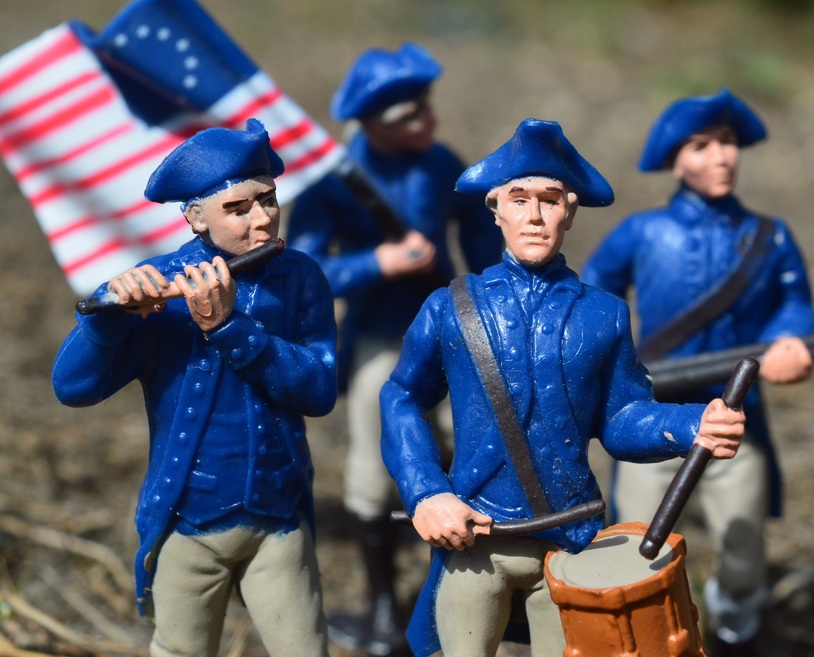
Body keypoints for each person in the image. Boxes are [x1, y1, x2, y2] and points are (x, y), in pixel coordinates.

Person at [380, 118, 747, 657]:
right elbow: (402, 397)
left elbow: (622, 420)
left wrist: (692, 423)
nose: (533, 215)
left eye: (549, 200)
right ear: (495, 208)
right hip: (477, 541)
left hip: (570, 541)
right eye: (519, 198)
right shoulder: (452, 307)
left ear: (569, 211)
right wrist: (426, 492)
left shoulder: (603, 314)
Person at [52, 119, 337, 657]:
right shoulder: (158, 285)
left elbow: (319, 389)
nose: (263, 218)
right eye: (238, 208)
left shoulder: (300, 278)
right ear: (195, 217)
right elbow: (72, 388)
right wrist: (107, 319)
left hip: (277, 515)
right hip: (189, 517)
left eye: (267, 199)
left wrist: (231, 330)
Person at [581, 88, 814, 656]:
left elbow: (796, 302)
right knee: (634, 543)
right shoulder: (642, 232)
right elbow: (592, 294)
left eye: (729, 142)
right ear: (676, 159)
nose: (721, 157)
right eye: (702, 145)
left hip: (734, 419)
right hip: (654, 416)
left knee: (744, 541)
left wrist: (791, 341)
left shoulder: (771, 235)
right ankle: (645, 636)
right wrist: (612, 359)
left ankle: (735, 624)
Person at [285, 41, 503, 656]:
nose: (426, 122)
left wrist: (496, 295)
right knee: (377, 459)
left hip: (454, 329)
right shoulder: (334, 184)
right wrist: (377, 262)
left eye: (425, 108)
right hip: (383, 333)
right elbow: (305, 272)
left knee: (479, 439)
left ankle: (471, 581)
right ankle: (384, 600)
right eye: (409, 116)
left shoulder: (441, 165)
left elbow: (484, 240)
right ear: (374, 122)